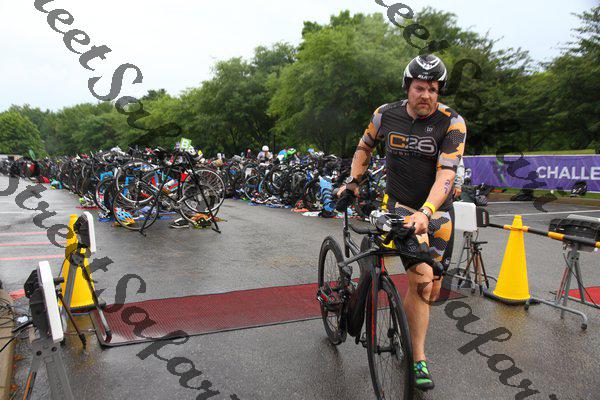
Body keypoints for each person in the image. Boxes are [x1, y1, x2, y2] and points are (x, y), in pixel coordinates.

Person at [337, 54, 466, 391]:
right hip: (399, 206)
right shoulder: (385, 114)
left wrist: (426, 212)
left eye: (433, 90)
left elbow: (447, 175)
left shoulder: (452, 122)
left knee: (432, 288)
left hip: (437, 214)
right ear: (408, 87)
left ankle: (409, 328)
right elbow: (365, 147)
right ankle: (418, 358)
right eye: (420, 88)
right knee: (421, 277)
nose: (426, 95)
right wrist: (353, 182)